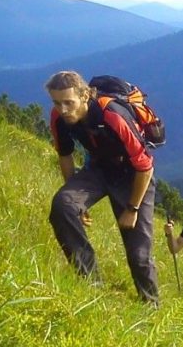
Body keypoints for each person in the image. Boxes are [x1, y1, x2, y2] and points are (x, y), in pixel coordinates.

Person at [45, 70, 158, 303]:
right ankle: (91, 285)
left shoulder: (112, 116)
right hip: (98, 169)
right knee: (63, 205)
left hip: (132, 176)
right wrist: (79, 204)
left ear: (85, 96)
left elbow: (145, 167)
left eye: (69, 102)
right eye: (57, 102)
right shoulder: (59, 118)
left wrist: (133, 209)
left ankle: (150, 307)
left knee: (139, 255)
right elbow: (65, 155)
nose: (63, 109)